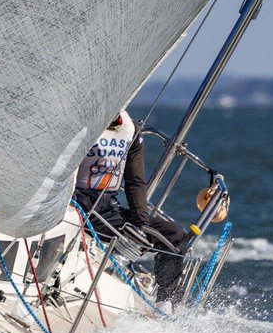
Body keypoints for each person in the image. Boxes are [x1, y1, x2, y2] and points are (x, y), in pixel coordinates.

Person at [72, 109, 191, 301]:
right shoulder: (81, 121)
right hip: (76, 204)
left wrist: (141, 223)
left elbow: (135, 181)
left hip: (109, 210)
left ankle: (165, 305)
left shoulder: (130, 129)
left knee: (175, 236)